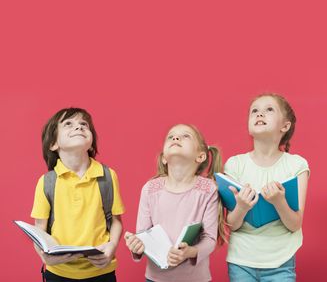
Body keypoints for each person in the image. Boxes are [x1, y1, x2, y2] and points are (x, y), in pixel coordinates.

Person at [31, 108, 125, 281]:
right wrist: (43, 256)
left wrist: (112, 245)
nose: (79, 127)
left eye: (84, 124)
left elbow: (116, 221)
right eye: (69, 124)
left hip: (101, 271)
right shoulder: (46, 182)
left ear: (91, 142)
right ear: (53, 144)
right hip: (59, 272)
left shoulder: (108, 176)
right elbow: (39, 230)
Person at [125, 124, 226, 282]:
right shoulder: (150, 189)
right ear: (164, 158)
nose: (176, 138)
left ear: (200, 156)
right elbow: (143, 234)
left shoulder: (208, 189)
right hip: (155, 279)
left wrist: (190, 252)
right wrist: (137, 246)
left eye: (186, 136)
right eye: (171, 136)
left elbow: (209, 239)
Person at [225, 93, 310, 281]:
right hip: (241, 260)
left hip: (281, 261)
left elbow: (295, 224)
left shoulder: (297, 165)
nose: (260, 114)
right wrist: (242, 206)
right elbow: (231, 225)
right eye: (254, 110)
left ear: (285, 126)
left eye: (269, 110)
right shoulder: (234, 164)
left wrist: (279, 202)